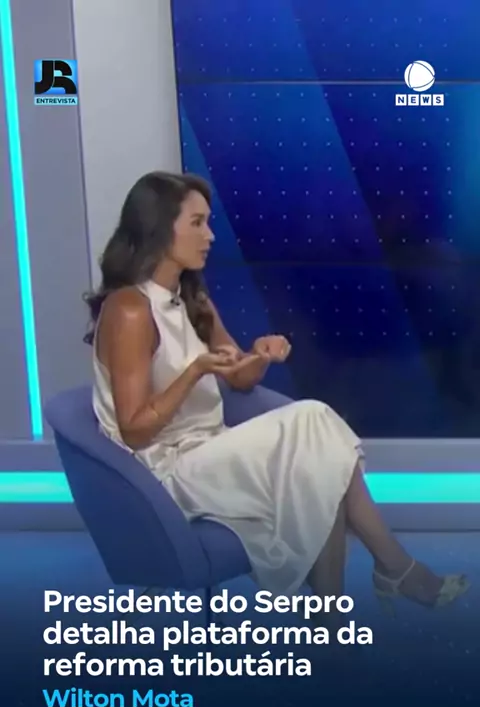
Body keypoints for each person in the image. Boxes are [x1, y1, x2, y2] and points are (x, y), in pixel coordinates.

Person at [84, 170, 468, 613]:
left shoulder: (192, 298)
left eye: (209, 222)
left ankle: (342, 612)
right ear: (159, 228)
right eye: (197, 223)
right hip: (164, 472)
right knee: (314, 424)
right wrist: (194, 372)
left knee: (319, 460)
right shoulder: (129, 310)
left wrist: (259, 355)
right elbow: (134, 431)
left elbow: (239, 377)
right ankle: (393, 572)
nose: (210, 235)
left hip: (211, 449)